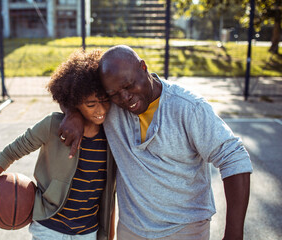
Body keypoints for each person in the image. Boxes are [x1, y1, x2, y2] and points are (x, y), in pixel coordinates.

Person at [59, 45, 253, 240]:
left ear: (143, 67)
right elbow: (70, 90)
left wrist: (234, 235)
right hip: (132, 229)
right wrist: (72, 112)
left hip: (185, 229)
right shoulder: (109, 107)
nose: (125, 98)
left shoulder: (188, 107)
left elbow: (234, 157)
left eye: (129, 86)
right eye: (114, 93)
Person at [0, 49, 116, 240]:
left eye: (105, 101)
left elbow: (110, 193)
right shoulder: (53, 126)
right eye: (90, 104)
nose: (100, 110)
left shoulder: (113, 136)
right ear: (74, 102)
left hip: (88, 233)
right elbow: (11, 152)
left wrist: (108, 235)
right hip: (49, 229)